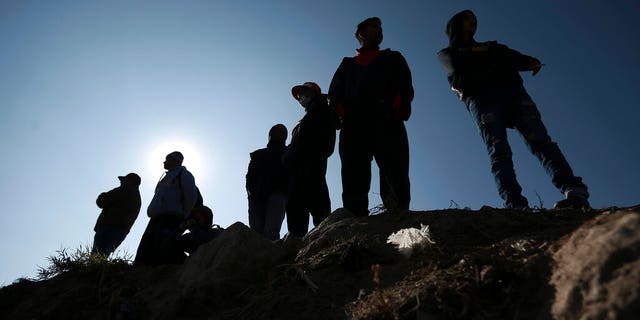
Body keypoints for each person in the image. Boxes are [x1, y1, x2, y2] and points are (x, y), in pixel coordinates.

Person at [437, 10, 590, 209]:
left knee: (542, 142)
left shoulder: (492, 46)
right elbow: (457, 69)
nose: (472, 22)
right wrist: (487, 57)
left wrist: (528, 61)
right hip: (483, 100)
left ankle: (575, 192)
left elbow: (512, 57)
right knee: (499, 152)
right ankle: (516, 205)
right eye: (467, 19)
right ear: (455, 25)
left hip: (513, 93)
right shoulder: (447, 54)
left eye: (474, 19)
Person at [328, 17, 414, 216]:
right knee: (353, 175)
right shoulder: (347, 64)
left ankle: (397, 214)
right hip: (354, 124)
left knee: (395, 171)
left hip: (386, 119)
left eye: (381, 27)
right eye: (375, 27)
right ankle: (355, 219)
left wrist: (397, 108)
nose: (380, 30)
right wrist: (339, 113)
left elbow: (405, 85)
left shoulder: (393, 57)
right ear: (361, 33)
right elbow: (334, 93)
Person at [284, 82, 336, 237]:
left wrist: (307, 156)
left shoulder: (323, 110)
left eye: (304, 93)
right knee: (296, 213)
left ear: (314, 92)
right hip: (297, 174)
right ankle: (297, 249)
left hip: (312, 170)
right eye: (299, 95)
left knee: (320, 212)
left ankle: (326, 243)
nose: (301, 97)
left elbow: (326, 143)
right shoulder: (308, 117)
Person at [135, 151, 200, 265]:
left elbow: (191, 195)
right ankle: (141, 270)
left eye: (167, 159)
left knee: (163, 245)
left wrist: (183, 214)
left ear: (174, 160)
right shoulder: (167, 177)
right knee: (147, 246)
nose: (164, 162)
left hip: (171, 218)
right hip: (157, 217)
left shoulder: (184, 174)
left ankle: (161, 270)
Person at [246, 124, 289, 240]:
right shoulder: (258, 155)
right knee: (255, 234)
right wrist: (251, 193)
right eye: (279, 131)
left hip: (278, 195)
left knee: (271, 233)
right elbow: (249, 177)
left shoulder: (288, 153)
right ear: (270, 135)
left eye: (284, 132)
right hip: (257, 196)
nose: (282, 134)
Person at [92, 173, 142, 255]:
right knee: (103, 255)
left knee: (97, 255)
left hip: (109, 227)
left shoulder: (124, 190)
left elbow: (101, 201)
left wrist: (102, 195)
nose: (121, 182)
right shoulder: (136, 197)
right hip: (120, 230)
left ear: (131, 181)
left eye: (124, 180)